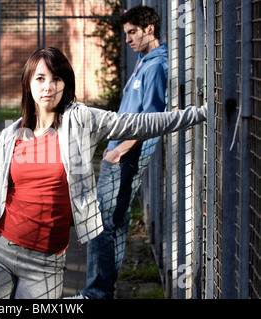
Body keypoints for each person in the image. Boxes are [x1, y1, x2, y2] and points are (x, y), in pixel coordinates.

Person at [0, 46, 206, 299]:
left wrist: (199, 114)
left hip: (45, 263)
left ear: (66, 84)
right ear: (28, 84)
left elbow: (137, 123)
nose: (48, 87)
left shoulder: (81, 121)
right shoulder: (10, 135)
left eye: (56, 78)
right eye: (40, 79)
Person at [69, 5, 169, 299]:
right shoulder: (144, 60)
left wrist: (118, 152)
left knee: (101, 225)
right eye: (125, 33)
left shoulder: (156, 67)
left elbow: (151, 120)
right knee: (112, 224)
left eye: (132, 32)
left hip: (125, 158)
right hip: (118, 154)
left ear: (149, 29)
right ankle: (101, 291)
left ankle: (96, 293)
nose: (127, 39)